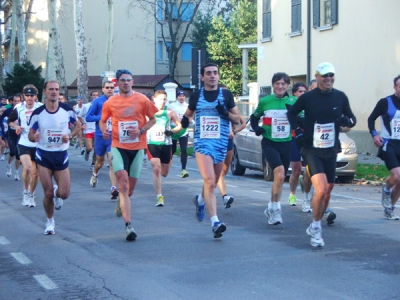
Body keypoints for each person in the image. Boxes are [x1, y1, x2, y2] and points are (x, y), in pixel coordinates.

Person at [288, 62, 356, 247]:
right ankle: (317, 227)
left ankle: (314, 223)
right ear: (317, 77)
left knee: (328, 191)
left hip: (330, 149)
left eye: (331, 75)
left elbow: (352, 119)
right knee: (322, 189)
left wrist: (345, 120)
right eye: (325, 75)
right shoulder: (308, 98)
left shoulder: (340, 97)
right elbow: (291, 114)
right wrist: (298, 132)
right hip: (311, 150)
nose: (328, 78)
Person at [181, 63, 241, 238]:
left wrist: (226, 113)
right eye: (208, 73)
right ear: (202, 77)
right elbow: (188, 114)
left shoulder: (226, 95)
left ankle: (200, 200)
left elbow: (238, 119)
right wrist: (184, 121)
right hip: (202, 143)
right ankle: (215, 221)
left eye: (215, 73)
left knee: (213, 181)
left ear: (218, 76)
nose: (212, 76)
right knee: (209, 180)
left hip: (221, 143)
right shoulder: (196, 95)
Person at [99, 69, 158, 241]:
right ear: (117, 83)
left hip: (138, 147)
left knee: (129, 190)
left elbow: (153, 119)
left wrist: (140, 130)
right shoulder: (111, 102)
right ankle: (128, 226)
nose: (126, 83)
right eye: (122, 80)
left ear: (132, 82)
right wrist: (104, 132)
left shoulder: (142, 99)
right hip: (118, 146)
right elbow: (103, 120)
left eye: (128, 80)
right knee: (123, 186)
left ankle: (122, 203)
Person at [28, 80, 81, 235]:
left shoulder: (66, 110)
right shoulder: (38, 113)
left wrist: (70, 136)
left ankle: (59, 194)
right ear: (44, 92)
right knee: (48, 192)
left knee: (64, 194)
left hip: (61, 154)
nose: (54, 92)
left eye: (56, 89)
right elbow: (30, 134)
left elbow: (78, 125)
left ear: (59, 92)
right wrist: (34, 136)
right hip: (44, 154)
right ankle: (50, 221)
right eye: (51, 89)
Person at [250, 73, 297, 226]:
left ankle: (271, 205)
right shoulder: (265, 101)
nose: (280, 86)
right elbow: (254, 117)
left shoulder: (294, 101)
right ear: (273, 85)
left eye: (284, 84)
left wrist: (294, 116)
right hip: (269, 142)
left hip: (286, 143)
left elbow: (302, 120)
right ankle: (276, 210)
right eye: (277, 83)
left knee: (281, 178)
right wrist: (257, 128)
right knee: (280, 172)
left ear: (288, 86)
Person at [368, 75, 400, 220]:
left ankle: (390, 208)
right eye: (399, 86)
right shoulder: (385, 102)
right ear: (395, 87)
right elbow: (371, 119)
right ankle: (386, 189)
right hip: (389, 143)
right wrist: (375, 135)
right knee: (397, 176)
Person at [8, 85, 42, 207]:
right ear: (23, 96)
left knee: (35, 174)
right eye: (27, 95)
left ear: (36, 96)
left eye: (32, 95)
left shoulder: (41, 107)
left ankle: (31, 195)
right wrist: (16, 127)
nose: (29, 98)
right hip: (23, 142)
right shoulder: (19, 108)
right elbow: (10, 121)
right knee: (27, 168)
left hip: (38, 144)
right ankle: (25, 191)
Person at [147, 90, 182, 206]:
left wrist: (171, 131)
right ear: (154, 99)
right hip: (152, 143)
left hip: (166, 144)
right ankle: (159, 196)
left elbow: (180, 125)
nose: (163, 101)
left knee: (165, 173)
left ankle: (160, 176)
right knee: (156, 168)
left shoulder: (169, 113)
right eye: (161, 99)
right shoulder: (147, 113)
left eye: (165, 99)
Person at [86, 81, 119, 199]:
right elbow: (88, 117)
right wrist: (103, 117)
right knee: (100, 161)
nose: (109, 89)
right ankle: (95, 174)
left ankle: (113, 188)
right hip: (100, 136)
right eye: (107, 87)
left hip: (113, 136)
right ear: (103, 89)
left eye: (112, 87)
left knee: (112, 162)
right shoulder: (98, 101)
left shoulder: (118, 100)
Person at [287, 82, 308, 207]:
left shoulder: (309, 104)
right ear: (294, 93)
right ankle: (292, 194)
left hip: (307, 139)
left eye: (304, 92)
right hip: (294, 138)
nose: (302, 94)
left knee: (309, 170)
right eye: (300, 91)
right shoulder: (292, 104)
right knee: (296, 170)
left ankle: (305, 193)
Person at [169, 90, 190, 178]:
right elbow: (169, 117)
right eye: (180, 96)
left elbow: (190, 116)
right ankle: (166, 164)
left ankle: (183, 169)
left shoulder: (188, 106)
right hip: (174, 129)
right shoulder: (172, 106)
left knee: (184, 149)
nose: (181, 97)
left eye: (183, 96)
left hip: (183, 130)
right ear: (177, 97)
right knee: (172, 150)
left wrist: (191, 121)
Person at [1, 94, 22, 179]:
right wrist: (2, 131)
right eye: (15, 101)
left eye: (18, 101)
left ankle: (16, 172)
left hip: (20, 134)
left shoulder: (22, 110)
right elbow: (1, 119)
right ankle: (9, 166)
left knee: (18, 155)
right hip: (11, 133)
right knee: (12, 152)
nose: (17, 103)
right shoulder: (8, 110)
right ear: (12, 101)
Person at [78, 93, 97, 169]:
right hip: (88, 129)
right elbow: (79, 116)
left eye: (97, 95)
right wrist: (83, 123)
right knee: (89, 147)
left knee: (97, 149)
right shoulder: (86, 106)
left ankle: (93, 164)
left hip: (97, 129)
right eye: (93, 95)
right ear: (91, 96)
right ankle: (87, 152)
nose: (95, 96)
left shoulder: (101, 105)